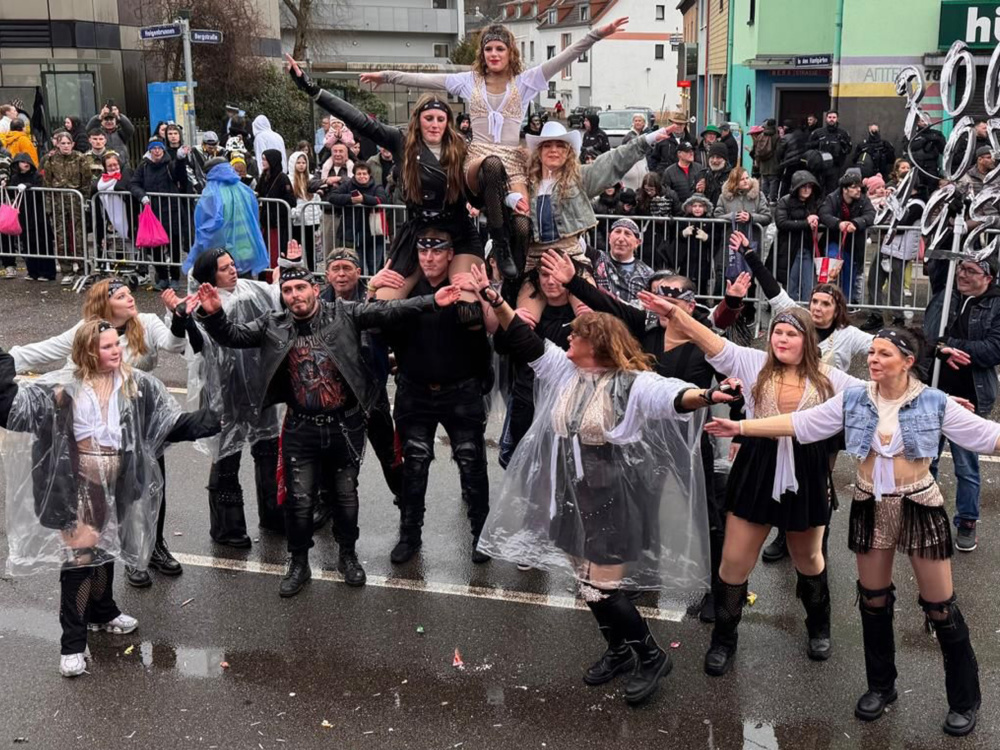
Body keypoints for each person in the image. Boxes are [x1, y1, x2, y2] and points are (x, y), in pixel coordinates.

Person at [468, 261, 734, 706]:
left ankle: (651, 657)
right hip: (570, 493)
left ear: (597, 345)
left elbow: (672, 395)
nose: (567, 340)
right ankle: (619, 650)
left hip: (614, 498)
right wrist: (494, 299)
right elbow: (524, 339)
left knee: (603, 587)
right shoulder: (565, 371)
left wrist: (706, 396)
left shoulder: (633, 383)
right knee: (584, 582)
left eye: (575, 336)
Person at [706, 327, 993, 737]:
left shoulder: (935, 402)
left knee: (940, 607)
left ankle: (964, 699)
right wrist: (742, 428)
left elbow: (988, 436)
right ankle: (881, 687)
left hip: (919, 504)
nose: (873, 359)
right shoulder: (854, 398)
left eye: (884, 354)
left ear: (908, 361)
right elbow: (801, 422)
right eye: (871, 352)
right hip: (869, 504)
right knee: (873, 600)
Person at [197, 256, 463, 595]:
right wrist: (214, 314)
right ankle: (298, 563)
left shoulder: (344, 314)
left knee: (345, 496)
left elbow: (390, 311)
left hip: (345, 426)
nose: (294, 295)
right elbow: (233, 336)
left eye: (300, 288)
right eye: (287, 290)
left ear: (315, 288)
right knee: (299, 500)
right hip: (300, 428)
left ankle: (347, 556)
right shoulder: (272, 323)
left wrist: (431, 301)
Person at [653, 299, 862, 676]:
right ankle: (724, 638)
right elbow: (711, 342)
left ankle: (819, 626)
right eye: (777, 332)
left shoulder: (830, 377)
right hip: (757, 465)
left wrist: (937, 402)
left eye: (791, 334)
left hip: (808, 468)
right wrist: (677, 315)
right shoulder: (752, 363)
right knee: (734, 561)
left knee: (808, 558)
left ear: (807, 341)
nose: (782, 339)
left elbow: (880, 392)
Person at [0, 323, 219, 678]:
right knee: (81, 559)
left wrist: (216, 418)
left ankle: (103, 612)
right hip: (76, 487)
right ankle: (72, 644)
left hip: (118, 485)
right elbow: (11, 410)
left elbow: (169, 424)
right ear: (88, 352)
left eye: (116, 343)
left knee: (106, 548)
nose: (116, 350)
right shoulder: (62, 390)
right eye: (106, 346)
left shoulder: (136, 386)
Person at [359, 20, 628, 279]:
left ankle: (516, 276)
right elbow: (424, 79)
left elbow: (565, 57)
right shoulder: (469, 81)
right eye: (488, 49)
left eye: (500, 48)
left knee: (522, 224)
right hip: (479, 159)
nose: (494, 54)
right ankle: (498, 242)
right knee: (491, 165)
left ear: (510, 52)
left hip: (512, 160)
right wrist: (387, 76)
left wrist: (597, 34)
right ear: (482, 53)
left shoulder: (525, 81)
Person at [9, 278, 198, 587]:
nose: (130, 299)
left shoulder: (146, 323)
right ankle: (129, 557)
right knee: (113, 496)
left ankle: (154, 546)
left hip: (139, 416)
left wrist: (177, 318)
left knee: (149, 486)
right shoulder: (87, 331)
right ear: (105, 305)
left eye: (129, 293)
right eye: (121, 296)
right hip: (98, 420)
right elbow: (43, 351)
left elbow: (174, 344)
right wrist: (8, 358)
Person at [287, 62, 488, 321]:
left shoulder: (462, 147)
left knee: (469, 311)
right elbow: (359, 120)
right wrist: (313, 89)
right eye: (429, 118)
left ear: (448, 122)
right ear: (418, 120)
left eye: (441, 119)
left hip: (458, 231)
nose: (435, 125)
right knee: (382, 309)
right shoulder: (401, 141)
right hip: (416, 232)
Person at [373, 229, 492, 566]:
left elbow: (493, 328)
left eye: (437, 251)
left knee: (471, 462)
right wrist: (372, 289)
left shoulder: (464, 286)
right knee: (414, 465)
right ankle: (409, 536)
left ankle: (482, 536)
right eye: (423, 252)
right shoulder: (404, 288)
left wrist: (484, 293)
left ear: (451, 254)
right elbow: (372, 324)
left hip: (461, 389)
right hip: (415, 390)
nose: (429, 258)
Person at [516, 122, 669, 319]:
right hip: (535, 261)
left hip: (571, 259)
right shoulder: (524, 183)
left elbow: (613, 161)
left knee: (589, 320)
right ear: (539, 151)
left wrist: (647, 139)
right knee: (522, 322)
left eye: (560, 145)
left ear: (568, 152)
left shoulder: (579, 178)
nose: (553, 150)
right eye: (547, 145)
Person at [188, 248, 284, 543]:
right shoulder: (200, 303)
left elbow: (279, 296)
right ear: (210, 275)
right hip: (224, 390)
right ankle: (227, 528)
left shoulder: (251, 289)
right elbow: (191, 345)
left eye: (232, 264)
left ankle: (274, 514)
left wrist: (290, 266)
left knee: (267, 451)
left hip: (259, 384)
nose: (232, 270)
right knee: (227, 457)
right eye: (224, 268)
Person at [924, 256, 1000, 553]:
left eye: (971, 270)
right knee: (927, 459)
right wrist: (939, 346)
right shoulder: (947, 297)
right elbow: (929, 339)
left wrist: (950, 345)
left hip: (971, 395)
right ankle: (925, 512)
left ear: (988, 278)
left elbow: (992, 350)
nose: (962, 275)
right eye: (961, 268)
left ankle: (967, 521)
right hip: (935, 391)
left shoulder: (996, 304)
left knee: (966, 465)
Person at [319, 248, 403, 508]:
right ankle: (329, 505)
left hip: (371, 391)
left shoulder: (374, 296)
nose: (341, 274)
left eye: (347, 268)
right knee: (333, 455)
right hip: (334, 394)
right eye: (336, 269)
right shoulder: (318, 302)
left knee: (388, 452)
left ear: (358, 272)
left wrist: (395, 358)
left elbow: (385, 328)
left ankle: (406, 499)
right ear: (327, 274)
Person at [185, 157, 270, 280]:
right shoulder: (244, 189)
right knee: (245, 287)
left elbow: (207, 226)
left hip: (224, 253)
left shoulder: (211, 193)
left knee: (225, 287)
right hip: (246, 248)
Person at [129, 136, 192, 290]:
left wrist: (180, 160)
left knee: (174, 245)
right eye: (153, 149)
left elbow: (181, 177)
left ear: (163, 150)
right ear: (149, 151)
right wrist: (142, 196)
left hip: (172, 210)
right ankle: (162, 277)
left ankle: (175, 278)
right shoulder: (144, 166)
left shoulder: (169, 164)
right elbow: (134, 184)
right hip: (153, 212)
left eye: (159, 148)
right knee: (155, 245)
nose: (157, 151)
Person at [818, 170, 876, 305]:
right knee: (832, 267)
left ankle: (845, 305)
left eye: (859, 187)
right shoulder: (832, 198)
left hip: (854, 245)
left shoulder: (863, 200)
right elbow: (824, 214)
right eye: (854, 187)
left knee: (849, 277)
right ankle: (828, 301)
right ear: (845, 189)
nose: (858, 190)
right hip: (834, 240)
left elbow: (870, 215)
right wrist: (838, 224)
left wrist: (855, 223)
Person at [43, 131, 91, 286]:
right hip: (58, 201)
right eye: (62, 143)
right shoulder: (50, 160)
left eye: (68, 143)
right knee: (61, 236)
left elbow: (87, 181)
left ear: (73, 144)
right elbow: (47, 183)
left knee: (79, 235)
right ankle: (67, 271)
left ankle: (83, 269)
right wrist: (49, 205)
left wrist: (84, 199)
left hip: (76, 200)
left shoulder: (80, 158)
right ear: (57, 144)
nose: (65, 146)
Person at [328, 161, 389, 273]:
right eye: (359, 174)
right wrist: (350, 199)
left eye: (364, 174)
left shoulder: (377, 187)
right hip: (352, 233)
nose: (362, 176)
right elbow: (332, 197)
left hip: (374, 234)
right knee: (355, 266)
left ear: (369, 175)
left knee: (375, 266)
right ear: (354, 175)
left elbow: (382, 200)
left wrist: (363, 199)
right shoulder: (347, 185)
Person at [4, 153, 55, 281]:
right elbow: (11, 193)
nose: (25, 164)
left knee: (43, 243)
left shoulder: (37, 176)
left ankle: (47, 272)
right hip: (24, 215)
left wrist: (28, 185)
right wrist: (6, 185)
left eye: (27, 162)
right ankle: (33, 272)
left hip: (38, 214)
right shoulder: (15, 178)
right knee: (28, 243)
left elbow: (41, 188)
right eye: (22, 162)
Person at [776, 170, 824, 300]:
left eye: (809, 186)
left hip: (807, 248)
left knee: (808, 287)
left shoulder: (814, 202)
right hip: (789, 249)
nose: (807, 190)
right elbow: (781, 222)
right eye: (804, 186)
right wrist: (806, 222)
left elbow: (825, 215)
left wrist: (817, 220)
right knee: (790, 287)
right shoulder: (785, 201)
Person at [658, 194, 717, 294]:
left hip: (703, 260)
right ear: (689, 207)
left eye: (700, 206)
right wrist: (683, 234)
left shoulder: (710, 222)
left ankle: (701, 301)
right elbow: (675, 236)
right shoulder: (684, 220)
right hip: (686, 260)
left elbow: (716, 238)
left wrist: (707, 237)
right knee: (685, 284)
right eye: (694, 206)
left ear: (705, 208)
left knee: (702, 286)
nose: (697, 209)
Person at [713, 166, 772, 257]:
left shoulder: (758, 195)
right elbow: (717, 216)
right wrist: (732, 216)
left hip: (752, 241)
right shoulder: (724, 196)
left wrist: (751, 217)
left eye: (747, 178)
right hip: (731, 242)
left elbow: (767, 217)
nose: (746, 181)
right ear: (734, 182)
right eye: (742, 179)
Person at [591, 218, 653, 303]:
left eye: (627, 234)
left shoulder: (647, 275)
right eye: (617, 232)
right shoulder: (595, 258)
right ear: (609, 237)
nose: (621, 239)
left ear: (637, 242)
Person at [257, 148, 295, 271]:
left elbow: (291, 201)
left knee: (275, 252)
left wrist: (275, 206)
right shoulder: (264, 176)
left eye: (265, 159)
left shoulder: (282, 178)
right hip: (266, 222)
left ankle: (275, 275)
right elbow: (259, 191)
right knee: (266, 251)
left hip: (278, 224)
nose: (262, 162)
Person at [808, 110, 852, 188]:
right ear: (826, 118)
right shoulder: (818, 132)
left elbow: (848, 150)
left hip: (835, 167)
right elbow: (809, 147)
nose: (831, 119)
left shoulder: (843, 133)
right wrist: (819, 143)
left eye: (834, 117)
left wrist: (842, 144)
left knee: (832, 190)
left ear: (837, 119)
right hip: (820, 167)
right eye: (830, 117)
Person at [660, 140, 706, 205]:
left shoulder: (700, 168)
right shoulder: (669, 172)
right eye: (688, 151)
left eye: (692, 151)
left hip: (697, 208)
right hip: (677, 209)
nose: (691, 153)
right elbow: (665, 193)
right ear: (679, 154)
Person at [776, 119, 810, 197]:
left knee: (786, 183)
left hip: (789, 163)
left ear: (785, 127)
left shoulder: (786, 138)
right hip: (802, 162)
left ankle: (784, 198)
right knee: (800, 181)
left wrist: (780, 163)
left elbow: (779, 152)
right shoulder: (803, 135)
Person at [751, 119, 781, 204]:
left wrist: (757, 161)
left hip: (763, 164)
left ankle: (764, 199)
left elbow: (755, 150)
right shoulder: (776, 137)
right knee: (773, 181)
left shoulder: (760, 136)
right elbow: (779, 151)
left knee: (764, 181)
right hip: (773, 163)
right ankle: (772, 199)